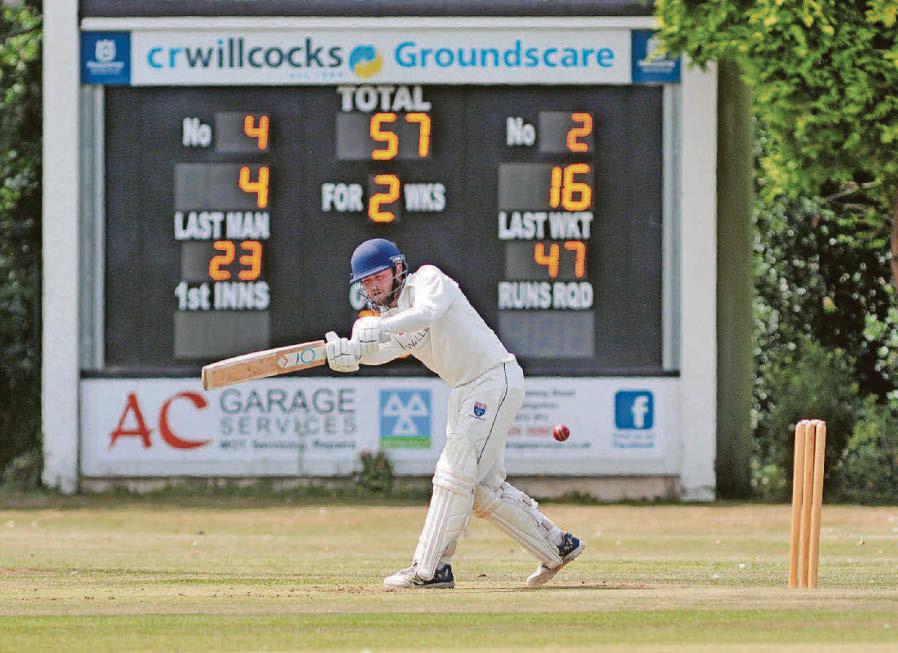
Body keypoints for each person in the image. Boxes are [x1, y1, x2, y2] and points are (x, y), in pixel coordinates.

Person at [325, 238, 584, 589]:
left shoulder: (428, 280)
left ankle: (430, 570)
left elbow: (427, 314)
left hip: (493, 378)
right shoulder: (394, 318)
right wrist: (352, 356)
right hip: (464, 390)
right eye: (366, 282)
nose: (373, 287)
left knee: (453, 474)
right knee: (481, 491)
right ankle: (558, 546)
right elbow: (386, 350)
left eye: (378, 277)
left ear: (398, 268)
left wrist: (378, 327)